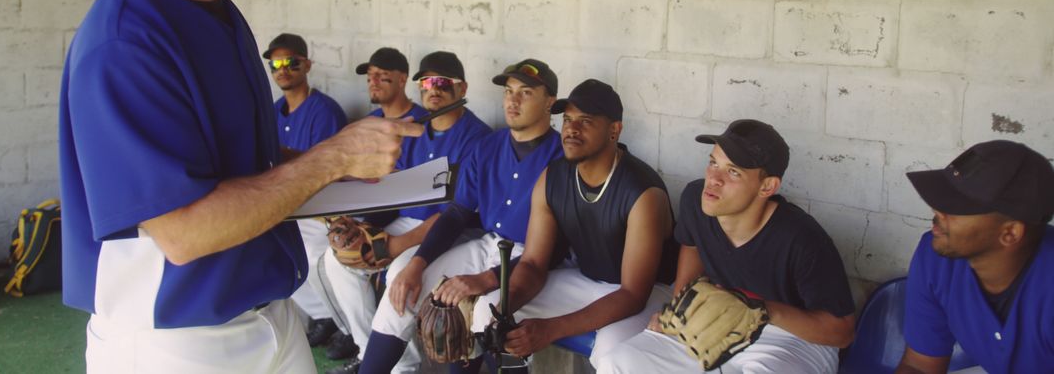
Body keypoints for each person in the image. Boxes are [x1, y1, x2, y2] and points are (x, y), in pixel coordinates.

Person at [57, 0, 422, 373]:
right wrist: (330, 158)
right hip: (175, 339)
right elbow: (182, 230)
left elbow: (246, 167)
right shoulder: (126, 37)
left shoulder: (221, 14)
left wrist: (341, 175)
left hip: (268, 315)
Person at [355, 59, 565, 374]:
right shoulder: (488, 146)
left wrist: (484, 280)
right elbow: (457, 213)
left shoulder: (563, 157)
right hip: (491, 244)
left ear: (549, 101)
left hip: (537, 260)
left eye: (526, 92)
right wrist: (417, 263)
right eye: (509, 91)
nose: (512, 100)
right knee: (405, 288)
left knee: (485, 313)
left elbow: (559, 248)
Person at [596, 119, 855, 374]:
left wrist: (762, 310)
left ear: (767, 186)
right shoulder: (696, 200)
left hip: (791, 340)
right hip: (715, 322)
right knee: (617, 363)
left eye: (733, 171)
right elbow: (693, 245)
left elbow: (842, 332)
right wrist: (679, 309)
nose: (714, 179)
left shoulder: (801, 238)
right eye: (713, 163)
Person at [463, 79, 677, 369]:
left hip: (648, 292)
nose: (572, 130)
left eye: (586, 121)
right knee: (490, 315)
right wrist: (506, 306)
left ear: (614, 130)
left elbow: (632, 295)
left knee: (610, 354)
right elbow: (533, 264)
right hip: (586, 279)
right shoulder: (553, 176)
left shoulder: (642, 191)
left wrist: (550, 328)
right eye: (567, 120)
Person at [317, 51, 491, 373]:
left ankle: (399, 366)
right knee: (336, 260)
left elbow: (458, 214)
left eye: (441, 82)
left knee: (400, 271)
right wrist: (361, 222)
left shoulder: (476, 138)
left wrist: (396, 244)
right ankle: (369, 349)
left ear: (462, 88)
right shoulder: (415, 129)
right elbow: (394, 193)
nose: (432, 89)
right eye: (425, 82)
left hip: (452, 231)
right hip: (411, 219)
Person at [895, 140, 1054, 374]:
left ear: (1010, 233)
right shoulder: (936, 258)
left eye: (957, 206)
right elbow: (919, 366)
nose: (937, 211)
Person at [264, 32, 350, 349]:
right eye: (276, 64)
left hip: (320, 207)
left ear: (307, 65)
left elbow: (326, 173)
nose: (283, 69)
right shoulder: (272, 112)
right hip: (287, 206)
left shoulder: (323, 110)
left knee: (312, 255)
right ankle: (322, 315)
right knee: (267, 247)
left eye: (291, 62)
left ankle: (342, 325)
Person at [358, 47, 426, 121]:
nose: (373, 81)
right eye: (370, 74)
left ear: (402, 80)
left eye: (382, 74)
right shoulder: (369, 120)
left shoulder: (424, 122)